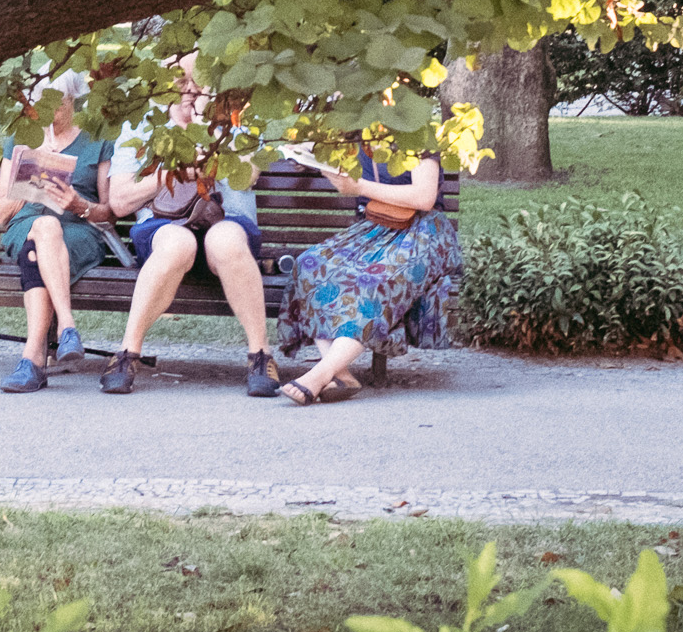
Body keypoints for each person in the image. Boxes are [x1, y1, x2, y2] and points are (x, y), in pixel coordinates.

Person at [99, 55, 277, 396]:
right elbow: (120, 202)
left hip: (227, 224)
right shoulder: (141, 128)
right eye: (181, 81)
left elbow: (247, 175)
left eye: (200, 81)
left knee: (225, 239)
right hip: (163, 229)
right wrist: (173, 174)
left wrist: (206, 128)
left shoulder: (238, 121)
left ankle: (260, 355)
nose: (191, 90)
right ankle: (127, 353)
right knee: (177, 243)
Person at [273, 146, 463, 405]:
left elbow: (424, 197)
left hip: (424, 232)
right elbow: (329, 158)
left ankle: (320, 374)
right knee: (310, 265)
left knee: (372, 281)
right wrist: (307, 156)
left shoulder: (415, 134)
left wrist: (358, 186)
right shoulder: (354, 135)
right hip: (374, 228)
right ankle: (341, 375)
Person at [0, 70, 115, 394]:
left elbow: (109, 212)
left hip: (78, 231)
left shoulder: (97, 141)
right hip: (26, 224)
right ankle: (67, 327)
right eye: (41, 103)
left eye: (56, 103)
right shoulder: (21, 138)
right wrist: (31, 177)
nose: (48, 112)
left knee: (35, 253)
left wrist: (78, 204)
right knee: (44, 227)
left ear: (72, 101)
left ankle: (31, 362)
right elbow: (1, 213)